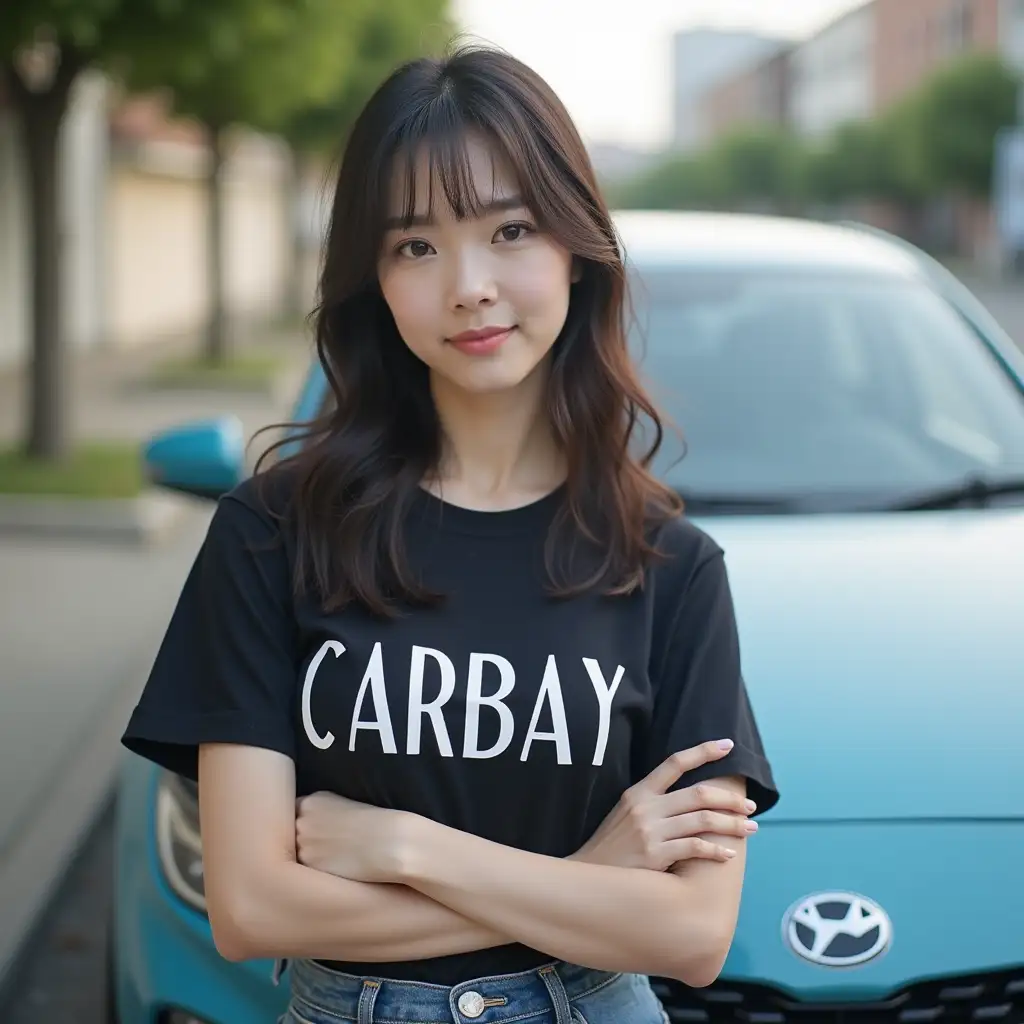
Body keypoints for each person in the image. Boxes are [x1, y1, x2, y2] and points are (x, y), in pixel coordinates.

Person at [121, 42, 779, 1024]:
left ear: (574, 245)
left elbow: (689, 935)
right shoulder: (273, 534)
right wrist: (589, 881)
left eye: (509, 229)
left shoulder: (668, 567)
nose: (468, 284)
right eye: (415, 246)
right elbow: (250, 906)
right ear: (373, 281)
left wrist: (411, 850)